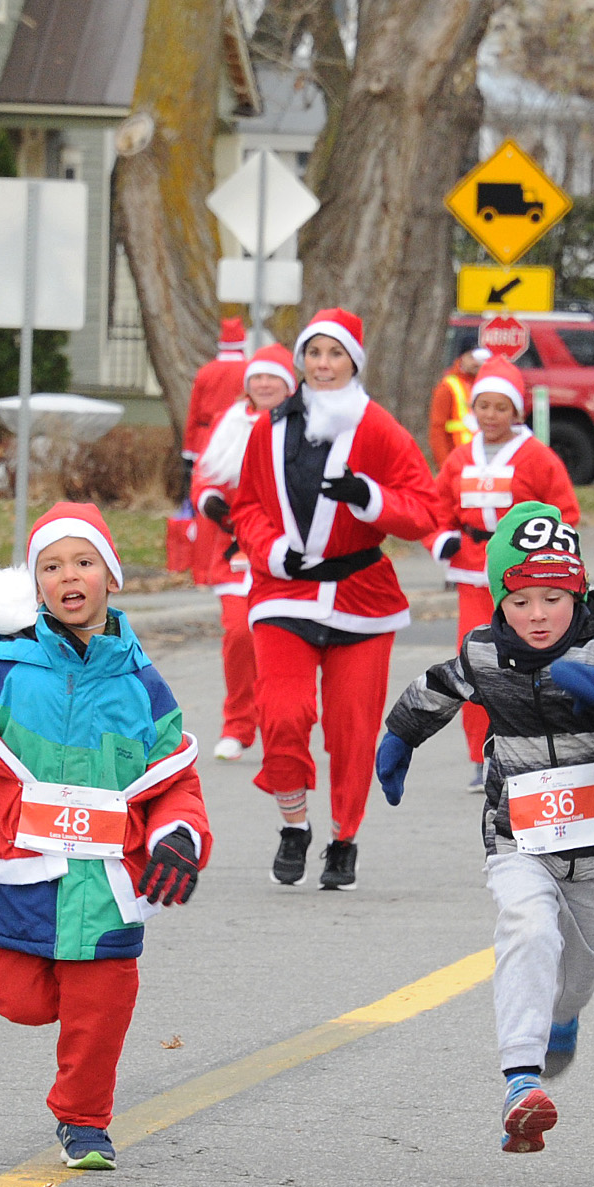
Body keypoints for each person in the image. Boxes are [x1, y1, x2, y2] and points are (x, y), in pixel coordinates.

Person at [0, 503, 211, 1169]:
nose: (69, 576)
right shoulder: (6, 670)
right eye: (52, 567)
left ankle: (84, 1122)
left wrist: (178, 836)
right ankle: (74, 1012)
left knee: (103, 1002)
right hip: (23, 867)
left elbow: (175, 780)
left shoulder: (143, 687)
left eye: (84, 562)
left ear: (111, 577)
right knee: (14, 994)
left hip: (107, 884)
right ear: (36, 586)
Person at [376, 502, 594, 1152]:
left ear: (576, 592)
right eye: (520, 600)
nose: (537, 614)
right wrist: (400, 736)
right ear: (500, 600)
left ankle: (564, 1017)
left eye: (553, 598)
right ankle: (520, 1083)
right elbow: (437, 687)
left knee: (580, 971)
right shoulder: (485, 652)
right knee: (526, 930)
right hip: (517, 839)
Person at [230, 309, 437, 891]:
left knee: (352, 730)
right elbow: (246, 506)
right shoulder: (269, 429)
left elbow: (423, 510)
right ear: (301, 360)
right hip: (285, 591)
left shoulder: (379, 428)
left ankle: (344, 838)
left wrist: (368, 496)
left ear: (354, 363)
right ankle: (293, 824)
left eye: (335, 354)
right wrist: (273, 551)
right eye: (314, 353)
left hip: (361, 596)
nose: (323, 364)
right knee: (282, 712)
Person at [426, 354, 581, 793]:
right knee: (477, 663)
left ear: (516, 411)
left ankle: (535, 751)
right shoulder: (460, 458)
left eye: (501, 407)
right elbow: (435, 508)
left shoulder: (538, 458)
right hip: (473, 575)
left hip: (524, 580)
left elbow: (565, 513)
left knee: (532, 665)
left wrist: (549, 563)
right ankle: (482, 757)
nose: (491, 415)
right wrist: (441, 539)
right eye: (483, 406)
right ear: (472, 409)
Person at [189, 344, 298, 761]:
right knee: (239, 634)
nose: (264, 384)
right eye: (258, 377)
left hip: (288, 550)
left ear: (288, 384)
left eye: (273, 377)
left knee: (280, 641)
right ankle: (237, 725)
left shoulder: (303, 424)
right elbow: (204, 479)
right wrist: (216, 508)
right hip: (235, 548)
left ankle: (282, 724)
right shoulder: (229, 421)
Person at [180, 317, 253, 474]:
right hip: (239, 440)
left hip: (205, 440)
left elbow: (193, 414)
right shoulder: (250, 372)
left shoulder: (204, 372)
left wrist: (188, 450)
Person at [428, 341, 484, 468]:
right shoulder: (448, 387)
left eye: (479, 358)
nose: (476, 362)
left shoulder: (486, 385)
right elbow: (437, 430)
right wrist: (445, 465)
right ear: (461, 358)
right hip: (457, 462)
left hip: (482, 463)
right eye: (471, 357)